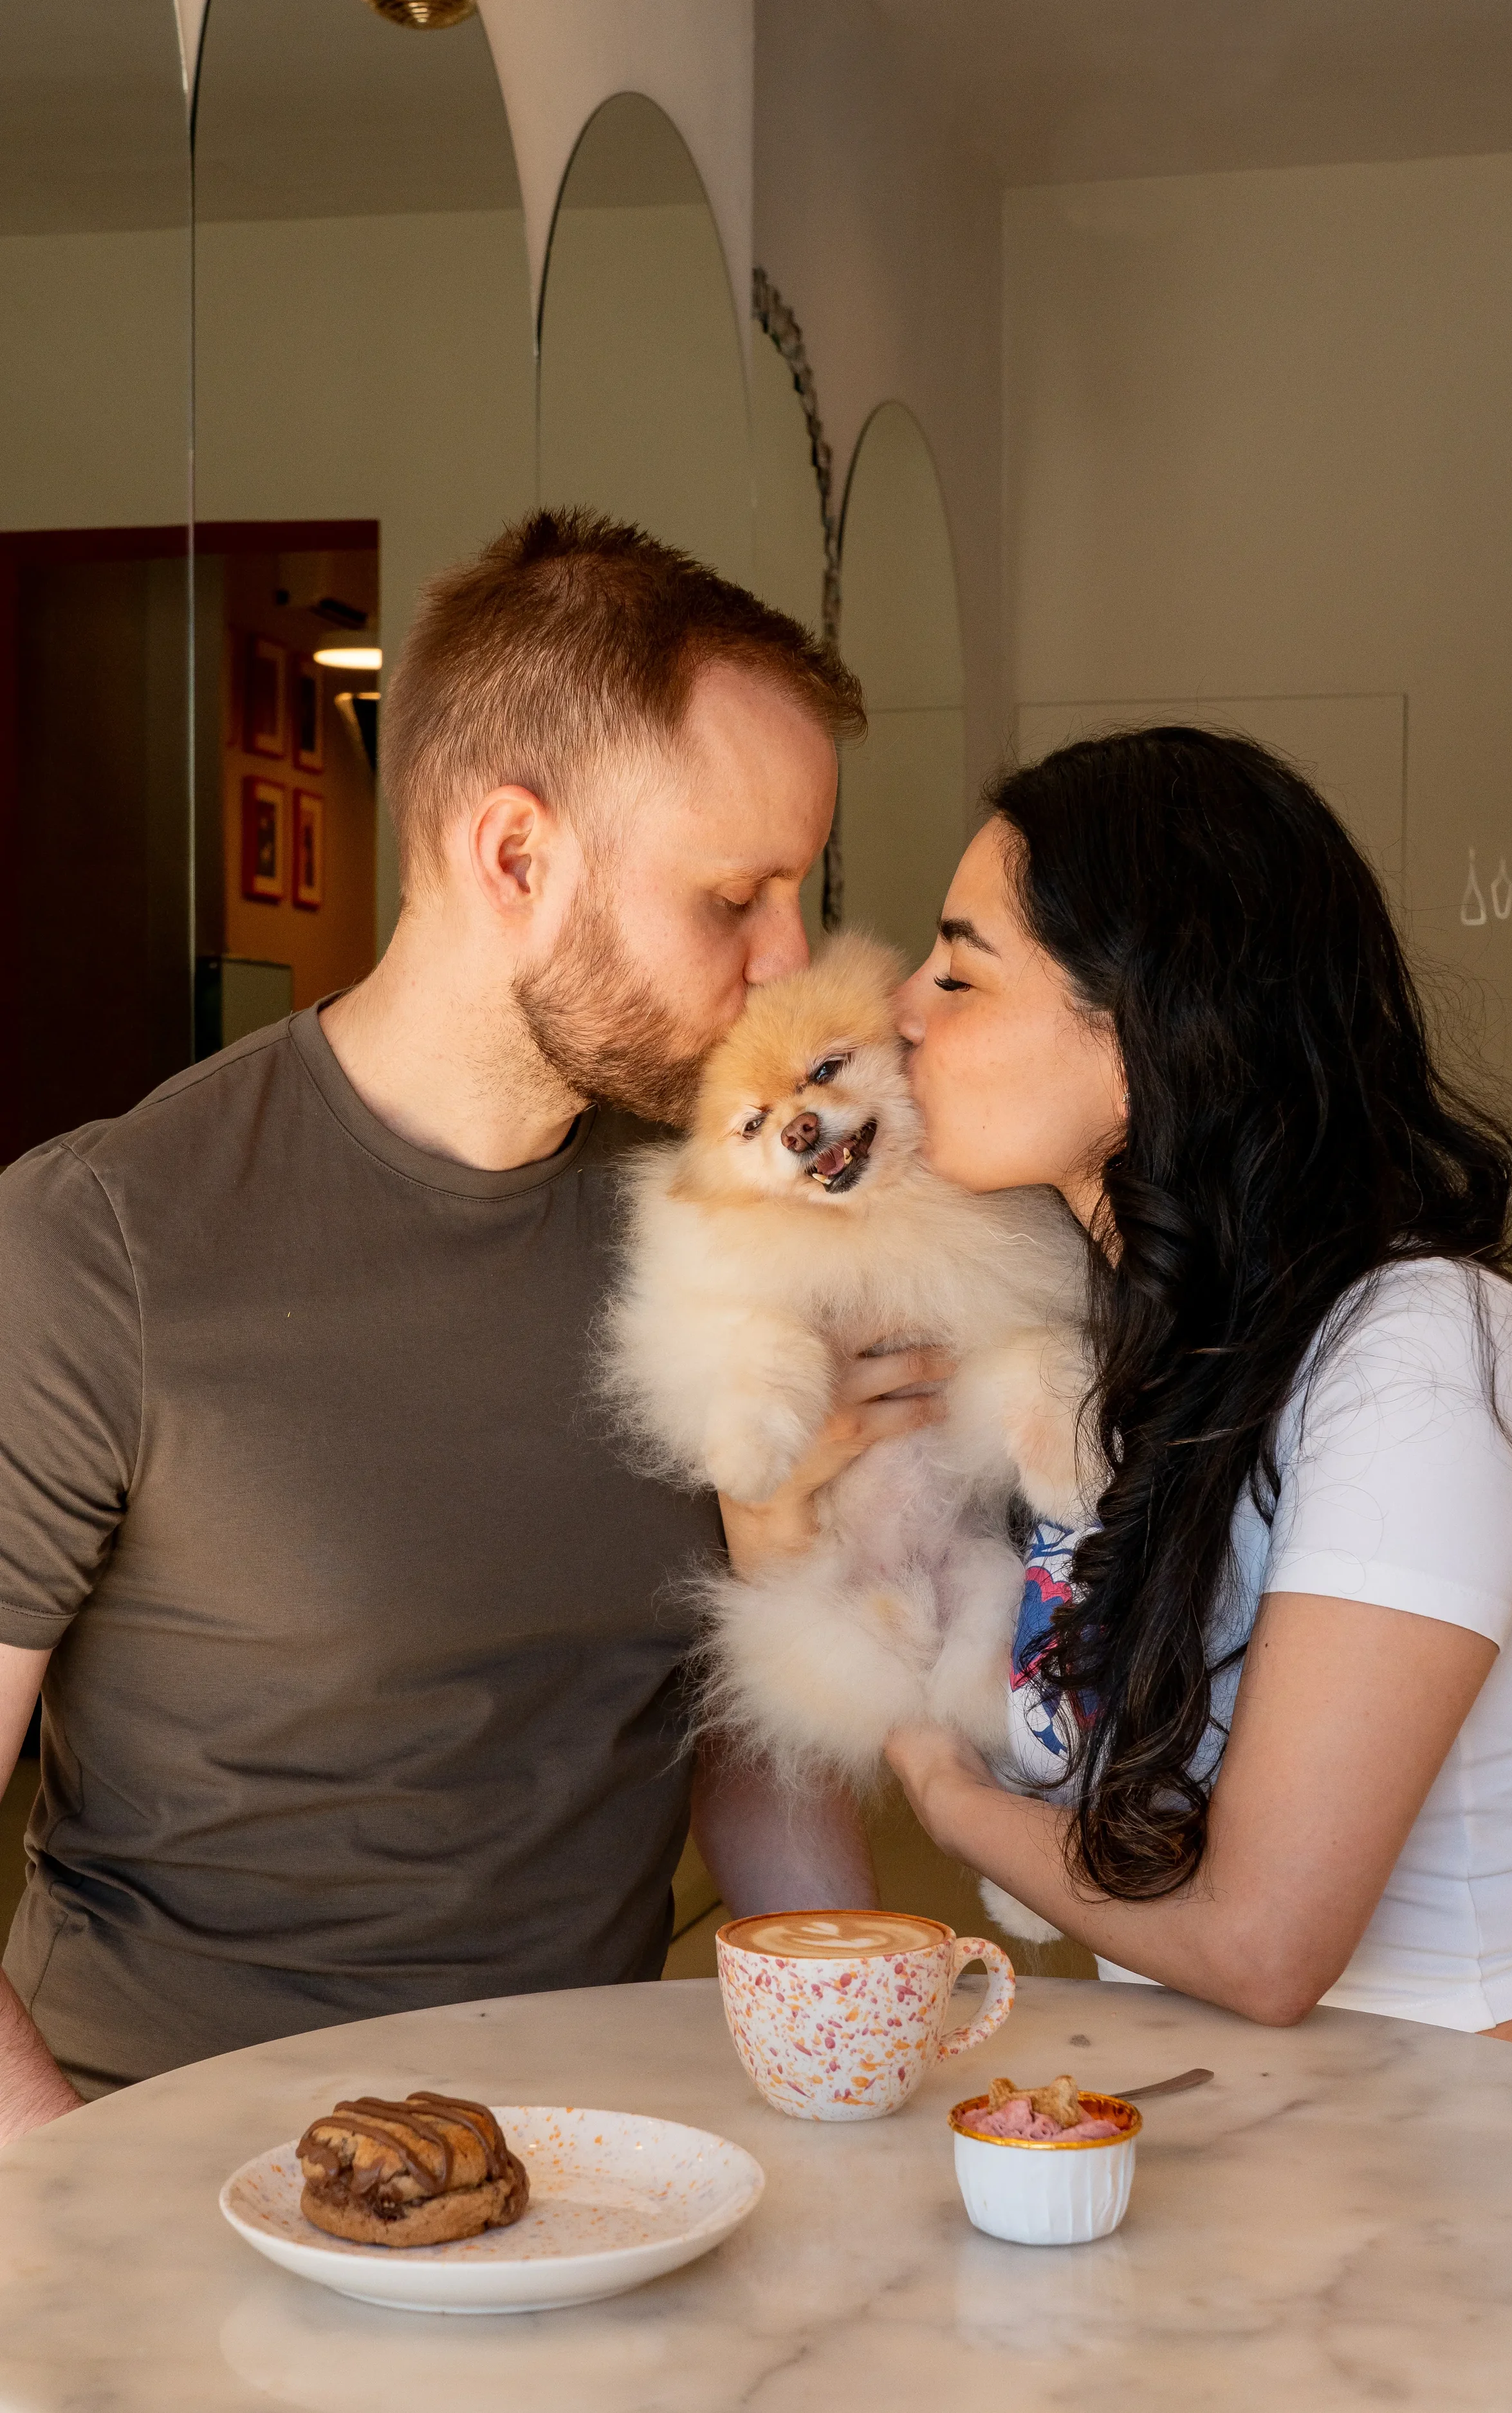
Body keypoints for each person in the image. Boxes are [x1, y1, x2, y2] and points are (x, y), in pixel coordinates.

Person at [0, 508, 933, 2145]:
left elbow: (748, 1753)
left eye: (801, 892)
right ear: (515, 857)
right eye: (737, 896)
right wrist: (85, 2214)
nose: (790, 962)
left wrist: (852, 2106)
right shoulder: (100, 1246)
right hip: (181, 2164)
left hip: (605, 2169)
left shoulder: (736, 1227)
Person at [730, 728, 1512, 2059]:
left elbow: (1259, 1943)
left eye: (960, 972)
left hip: (1475, 2149)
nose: (898, 1009)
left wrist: (937, 1785)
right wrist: (783, 1549)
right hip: (1234, 2132)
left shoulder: (1419, 1353)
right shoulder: (1124, 1357)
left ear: (1148, 1024)